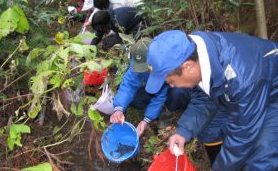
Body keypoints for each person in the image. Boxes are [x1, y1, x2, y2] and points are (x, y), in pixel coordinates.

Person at [145, 30, 278, 170]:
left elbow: (242, 134)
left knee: (260, 162)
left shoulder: (242, 77)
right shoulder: (195, 54)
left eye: (170, 81)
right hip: (237, 94)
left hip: (272, 94)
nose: (172, 86)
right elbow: (203, 99)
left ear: (188, 67)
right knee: (210, 130)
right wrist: (183, 132)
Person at [110, 38, 190, 136]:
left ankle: (168, 113)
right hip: (154, 86)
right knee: (135, 99)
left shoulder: (167, 61)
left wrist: (147, 118)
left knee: (178, 93)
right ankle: (157, 112)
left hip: (172, 87)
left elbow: (162, 92)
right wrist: (119, 109)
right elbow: (129, 84)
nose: (144, 71)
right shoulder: (138, 59)